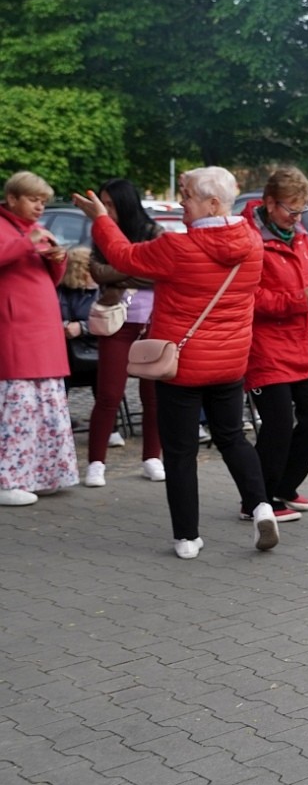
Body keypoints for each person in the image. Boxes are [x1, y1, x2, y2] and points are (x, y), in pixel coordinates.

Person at [74, 166, 277, 559]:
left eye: (188, 195)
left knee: (181, 452)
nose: (182, 201)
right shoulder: (253, 243)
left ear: (212, 203)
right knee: (233, 437)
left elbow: (122, 255)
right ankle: (261, 507)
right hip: (230, 362)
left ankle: (187, 538)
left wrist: (100, 217)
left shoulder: (177, 248)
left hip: (181, 365)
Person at [247, 166, 308, 523]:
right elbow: (249, 297)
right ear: (269, 203)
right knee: (279, 424)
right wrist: (300, 298)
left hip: (299, 340)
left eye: (302, 211)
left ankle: (284, 484)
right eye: (290, 210)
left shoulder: (298, 235)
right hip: (264, 345)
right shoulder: (250, 238)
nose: (297, 218)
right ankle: (257, 499)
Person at [0, 170, 78, 506]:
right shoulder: (8, 228)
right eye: (34, 199)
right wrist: (24, 244)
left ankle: (46, 473)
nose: (40, 207)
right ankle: (9, 479)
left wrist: (58, 261)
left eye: (43, 201)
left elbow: (48, 278)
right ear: (13, 198)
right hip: (15, 327)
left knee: (48, 405)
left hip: (43, 328)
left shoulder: (36, 230)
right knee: (18, 409)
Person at [85, 178, 166, 488]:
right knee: (108, 394)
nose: (105, 209)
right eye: (102, 203)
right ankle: (96, 463)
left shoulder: (153, 232)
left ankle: (151, 457)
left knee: (153, 396)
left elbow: (159, 272)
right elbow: (97, 272)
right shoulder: (101, 232)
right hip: (115, 322)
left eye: (111, 203)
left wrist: (122, 270)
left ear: (126, 203)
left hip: (153, 321)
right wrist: (137, 267)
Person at [58, 246, 100, 384]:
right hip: (66, 354)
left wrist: (83, 327)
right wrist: (64, 327)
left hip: (96, 350)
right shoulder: (59, 292)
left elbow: (111, 322)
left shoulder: (102, 291)